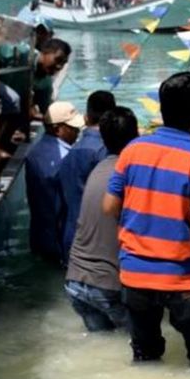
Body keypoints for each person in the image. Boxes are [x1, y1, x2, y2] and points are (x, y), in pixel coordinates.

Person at [103, 71, 190, 366]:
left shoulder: (132, 150)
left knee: (145, 356)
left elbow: (109, 206)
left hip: (134, 274)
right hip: (182, 278)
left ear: (160, 109)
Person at [65, 106, 139, 332]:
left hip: (75, 280)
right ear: (135, 136)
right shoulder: (131, 173)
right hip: (107, 284)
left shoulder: (98, 168)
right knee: (144, 348)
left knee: (103, 342)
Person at [58, 90, 116, 264]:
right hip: (101, 244)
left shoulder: (69, 153)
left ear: (85, 118)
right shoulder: (107, 153)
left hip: (72, 237)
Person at [25, 101, 85, 263]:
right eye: (72, 128)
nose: (77, 132)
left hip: (40, 236)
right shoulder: (63, 159)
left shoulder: (36, 152)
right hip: (59, 241)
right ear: (58, 129)